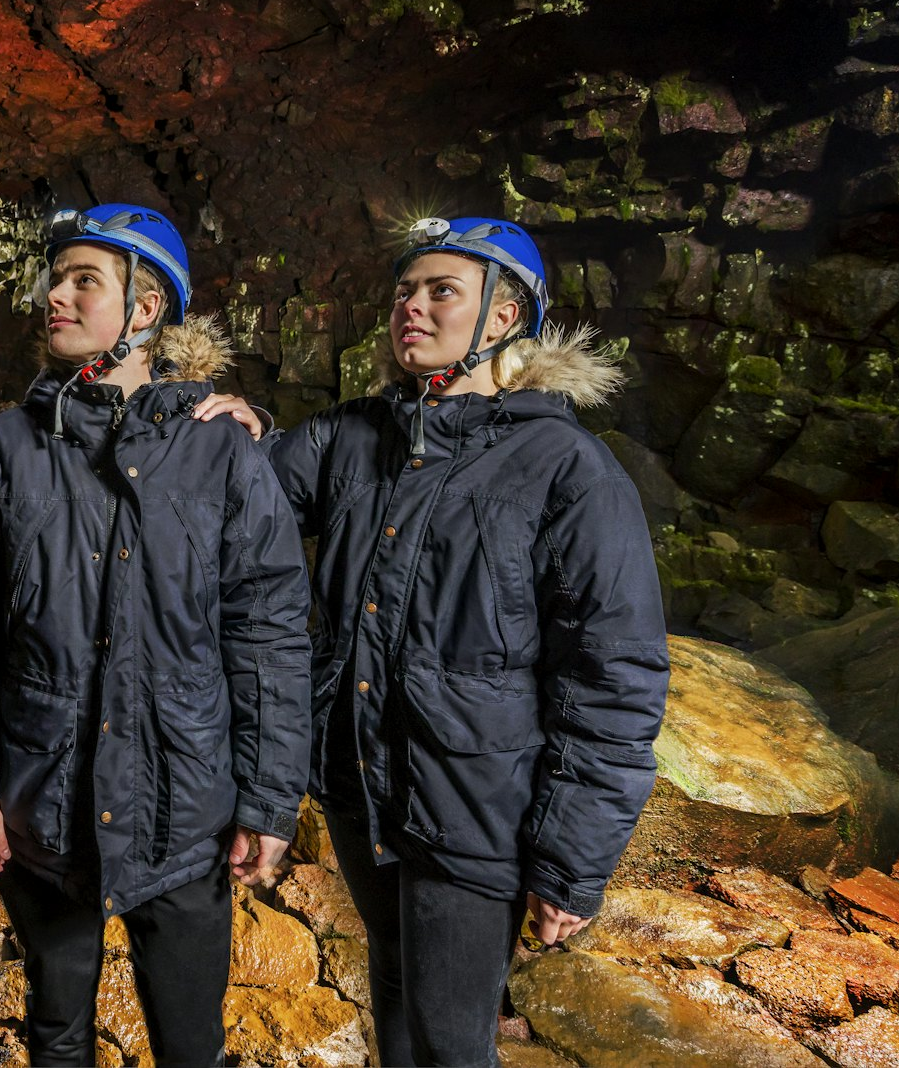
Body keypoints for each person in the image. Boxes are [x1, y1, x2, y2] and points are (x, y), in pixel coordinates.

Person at [195, 216, 669, 1068]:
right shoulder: (355, 435)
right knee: (397, 995)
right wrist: (245, 423)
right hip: (359, 782)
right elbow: (234, 500)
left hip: (473, 806)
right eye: (405, 291)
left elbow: (613, 679)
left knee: (454, 1041)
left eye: (440, 291)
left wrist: (572, 860)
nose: (410, 307)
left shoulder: (565, 468)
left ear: (501, 317)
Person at [0, 203, 312, 1068]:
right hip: (43, 812)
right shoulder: (2, 453)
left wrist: (269, 800)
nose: (55, 295)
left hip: (186, 813)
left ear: (143, 311)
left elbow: (270, 637)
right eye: (56, 277)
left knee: (189, 1044)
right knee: (56, 1031)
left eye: (82, 280)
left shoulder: (223, 456)